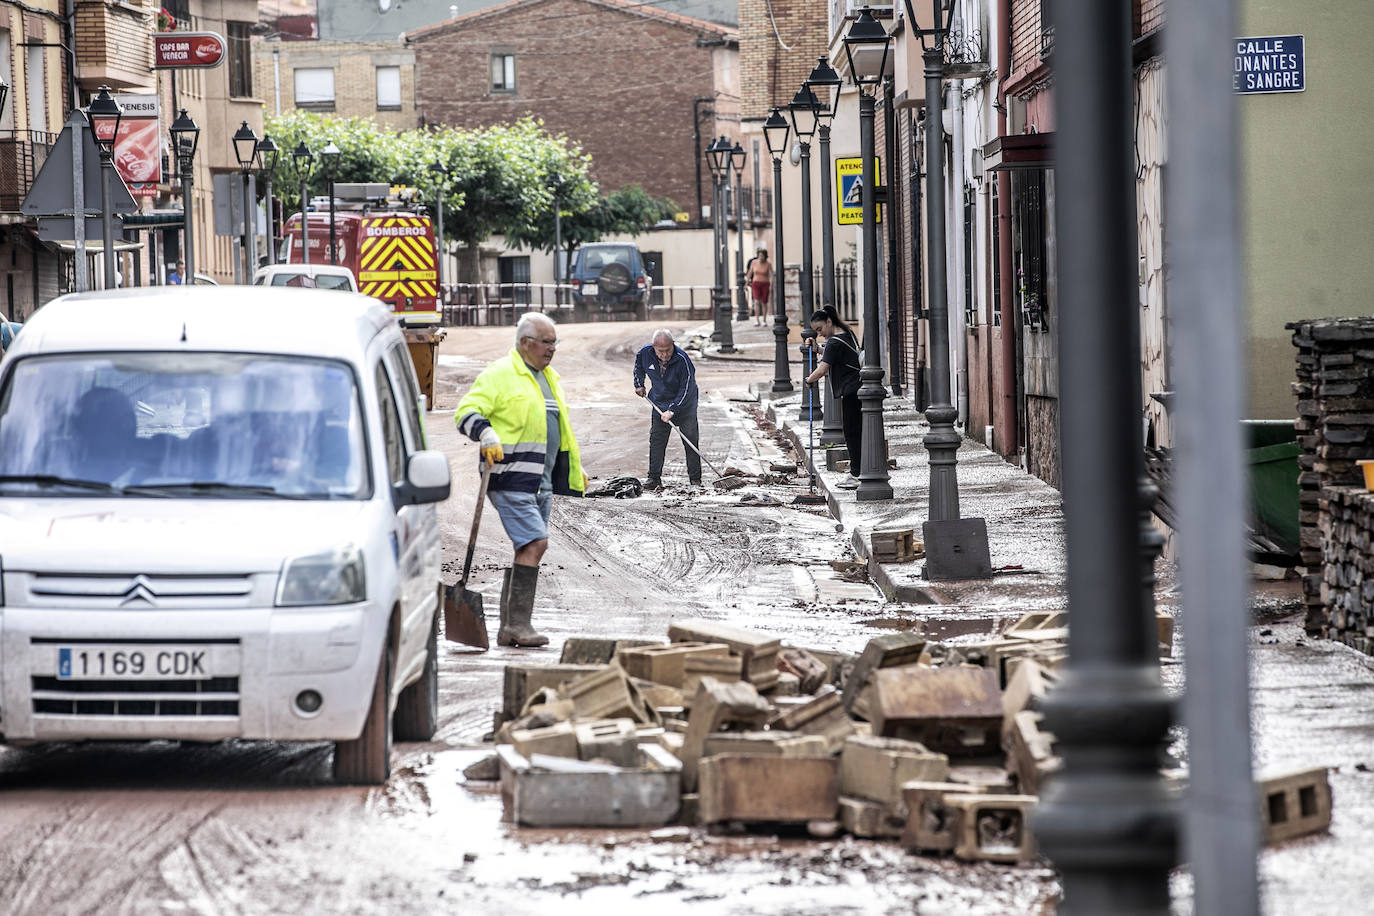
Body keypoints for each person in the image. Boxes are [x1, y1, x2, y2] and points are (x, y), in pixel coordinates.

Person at [456, 313, 586, 647]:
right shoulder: (500, 374)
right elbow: (467, 411)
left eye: (555, 342)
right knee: (535, 543)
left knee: (526, 547)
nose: (552, 349)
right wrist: (485, 433)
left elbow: (559, 429)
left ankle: (509, 627)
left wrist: (574, 465)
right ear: (526, 343)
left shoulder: (549, 378)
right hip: (510, 476)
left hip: (541, 481)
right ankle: (518, 625)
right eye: (547, 342)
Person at [633, 329, 701, 490]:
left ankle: (695, 480)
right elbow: (638, 368)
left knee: (690, 441)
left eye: (668, 350)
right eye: (660, 351)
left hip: (685, 406)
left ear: (673, 345)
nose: (664, 355)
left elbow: (687, 388)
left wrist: (673, 410)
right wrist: (639, 384)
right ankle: (654, 478)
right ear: (654, 348)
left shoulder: (682, 359)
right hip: (659, 403)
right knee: (657, 441)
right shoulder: (645, 353)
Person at [804, 306, 863, 489]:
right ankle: (859, 470)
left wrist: (809, 380)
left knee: (852, 434)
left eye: (820, 329)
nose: (820, 334)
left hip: (851, 391)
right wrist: (818, 348)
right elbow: (835, 353)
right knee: (858, 432)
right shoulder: (848, 333)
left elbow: (822, 369)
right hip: (860, 388)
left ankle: (856, 473)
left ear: (829, 321)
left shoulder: (835, 341)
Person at [746, 247, 772, 326]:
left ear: (765, 256)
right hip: (755, 284)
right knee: (756, 302)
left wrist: (771, 284)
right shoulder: (754, 262)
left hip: (765, 284)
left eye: (762, 255)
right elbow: (750, 272)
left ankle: (764, 320)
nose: (760, 257)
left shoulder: (768, 264)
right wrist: (746, 282)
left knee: (764, 302)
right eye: (759, 255)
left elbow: (771, 275)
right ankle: (757, 320)